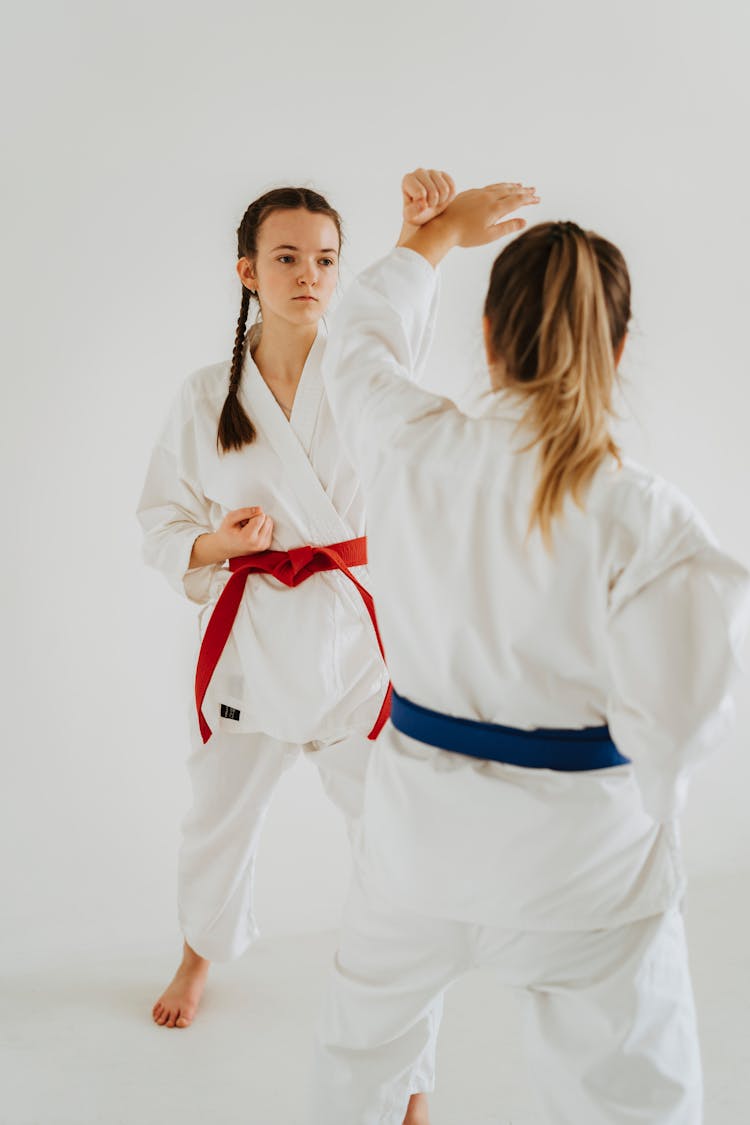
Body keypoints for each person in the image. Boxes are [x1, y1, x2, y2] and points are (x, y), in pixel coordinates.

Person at [311, 183, 750, 1124]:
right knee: (631, 1100)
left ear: (488, 338)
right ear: (619, 349)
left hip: (413, 847)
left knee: (360, 1062)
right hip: (582, 873)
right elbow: (677, 727)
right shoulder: (646, 518)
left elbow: (356, 346)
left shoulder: (410, 445)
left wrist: (429, 243)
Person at [137, 169, 458, 1125]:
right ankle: (202, 944)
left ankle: (411, 1069)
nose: (308, 274)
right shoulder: (206, 394)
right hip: (254, 641)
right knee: (216, 820)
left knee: (400, 855)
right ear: (247, 270)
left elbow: (406, 325)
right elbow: (159, 518)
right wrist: (216, 543)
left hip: (359, 643)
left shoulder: (363, 368)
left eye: (325, 259)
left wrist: (417, 235)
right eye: (285, 258)